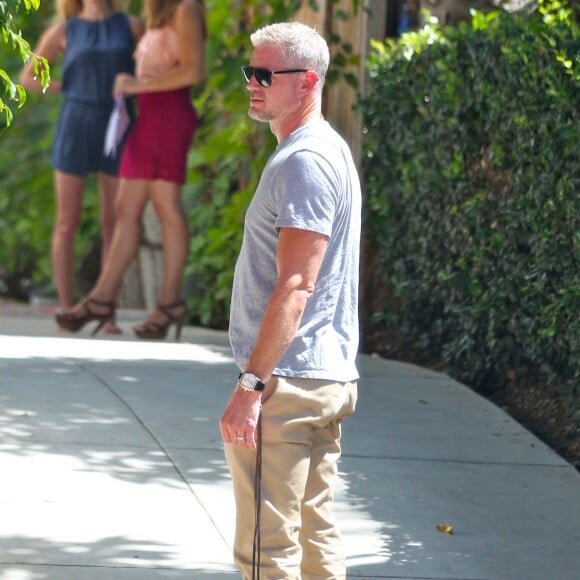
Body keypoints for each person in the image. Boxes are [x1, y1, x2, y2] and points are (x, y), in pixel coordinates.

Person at [219, 21, 362, 579]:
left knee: (265, 546)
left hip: (288, 382)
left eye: (263, 74)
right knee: (311, 535)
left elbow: (296, 284)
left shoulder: (305, 161)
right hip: (319, 378)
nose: (251, 83)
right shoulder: (325, 151)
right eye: (248, 71)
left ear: (305, 82)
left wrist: (251, 387)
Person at [54, 0, 207, 339]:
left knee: (167, 207)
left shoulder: (187, 8)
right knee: (125, 210)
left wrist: (136, 86)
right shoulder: (157, 14)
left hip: (168, 116)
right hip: (146, 118)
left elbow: (194, 71)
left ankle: (169, 304)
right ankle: (101, 298)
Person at [19, 0, 144, 334]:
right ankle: (65, 306)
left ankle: (106, 311)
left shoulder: (130, 26)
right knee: (66, 221)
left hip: (117, 119)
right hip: (75, 120)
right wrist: (67, 89)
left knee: (113, 220)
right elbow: (29, 77)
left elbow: (149, 69)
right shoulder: (64, 29)